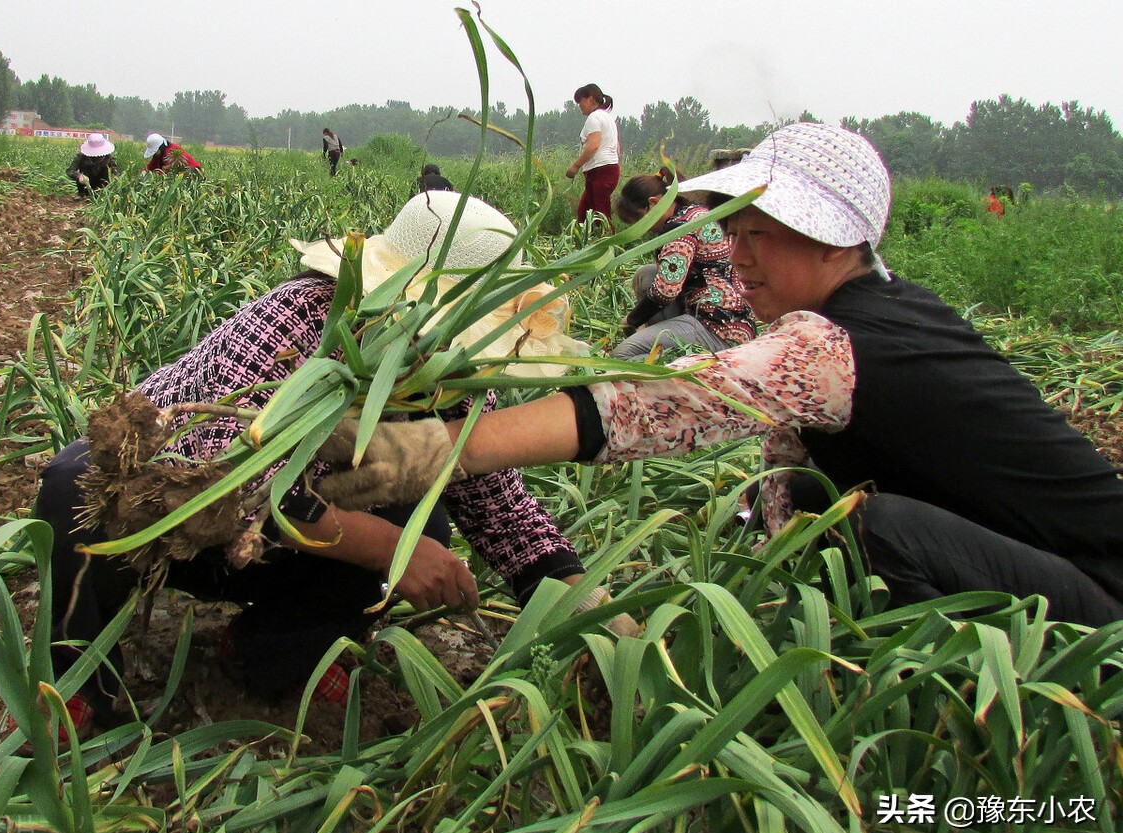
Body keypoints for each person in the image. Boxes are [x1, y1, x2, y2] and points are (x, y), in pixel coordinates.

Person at [318, 123, 1123, 630]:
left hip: (1099, 601)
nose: (736, 258)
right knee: (814, 501)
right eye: (732, 234)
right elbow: (783, 478)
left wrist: (441, 448)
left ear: (831, 240)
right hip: (1029, 569)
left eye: (757, 235)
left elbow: (662, 404)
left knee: (884, 529)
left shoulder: (836, 343)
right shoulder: (873, 315)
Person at [29, 192, 622, 743]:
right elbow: (223, 484)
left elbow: (504, 515)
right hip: (171, 524)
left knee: (424, 524)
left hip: (283, 548)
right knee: (73, 482)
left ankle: (269, 650)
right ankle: (75, 682)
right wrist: (392, 551)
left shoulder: (453, 381)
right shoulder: (299, 319)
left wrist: (593, 610)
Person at [610, 167, 756, 361]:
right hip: (724, 310)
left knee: (621, 355)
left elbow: (666, 290)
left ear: (653, 203)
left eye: (639, 221)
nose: (643, 229)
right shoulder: (693, 211)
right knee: (646, 275)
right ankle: (665, 340)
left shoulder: (679, 229)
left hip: (718, 325)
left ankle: (687, 363)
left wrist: (631, 320)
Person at [566, 84, 620, 231]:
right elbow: (617, 147)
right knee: (584, 212)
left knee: (601, 215)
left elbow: (593, 145)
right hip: (610, 168)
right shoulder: (607, 118)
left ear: (590, 98)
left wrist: (575, 166)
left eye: (581, 102)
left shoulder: (594, 118)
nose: (579, 106)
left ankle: (608, 241)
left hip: (600, 171)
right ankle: (582, 241)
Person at [66, 134, 120, 198]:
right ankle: (82, 195)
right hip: (84, 190)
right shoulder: (81, 157)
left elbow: (116, 175)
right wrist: (79, 176)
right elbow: (70, 170)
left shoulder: (109, 159)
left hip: (103, 191)